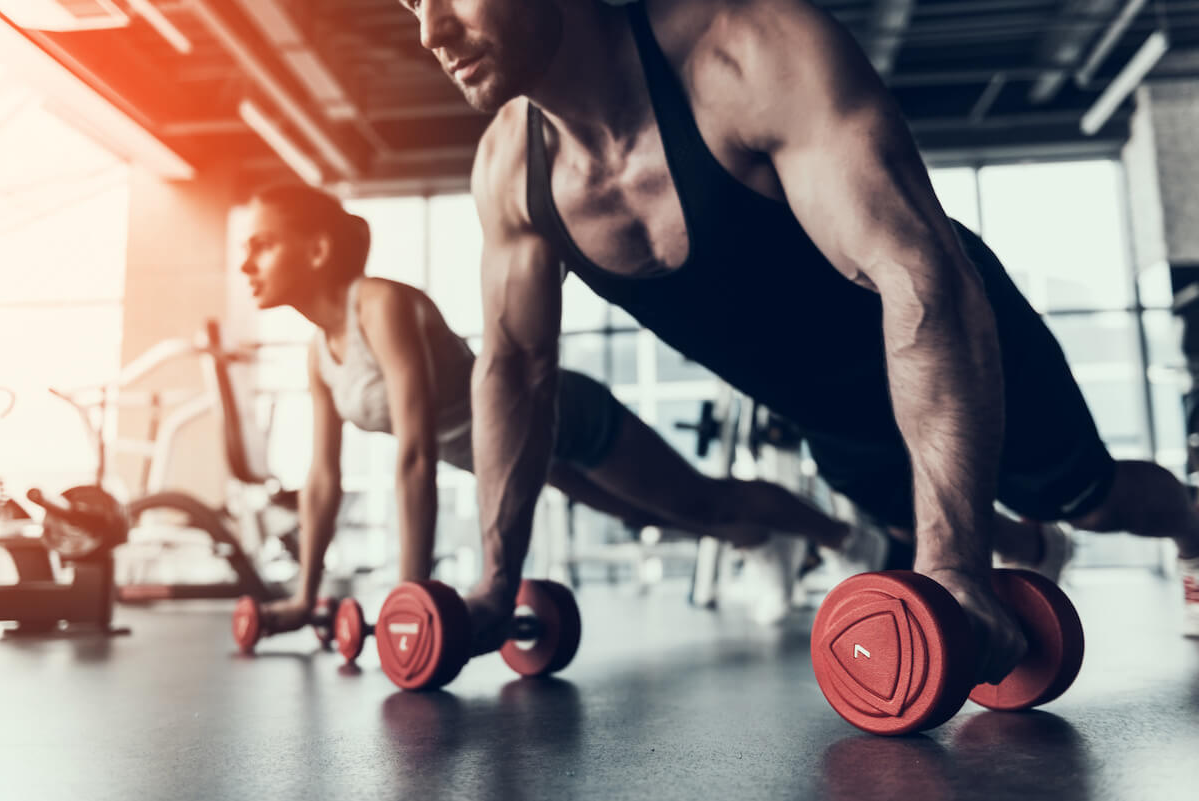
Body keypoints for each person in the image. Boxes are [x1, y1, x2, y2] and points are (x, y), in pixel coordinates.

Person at [394, 0, 1199, 669]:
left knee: (1087, 499)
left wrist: (953, 570)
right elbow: (514, 368)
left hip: (955, 343)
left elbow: (918, 277)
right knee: (911, 525)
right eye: (409, 2)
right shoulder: (510, 169)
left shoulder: (746, 56)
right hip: (832, 422)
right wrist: (494, 590)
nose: (429, 31)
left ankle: (1189, 521)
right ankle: (1026, 552)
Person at [238, 183, 861, 632]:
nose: (246, 264)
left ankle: (849, 539)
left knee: (700, 500)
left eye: (262, 245)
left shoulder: (379, 305)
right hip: (516, 454)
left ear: (317, 250)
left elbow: (416, 451)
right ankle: (761, 543)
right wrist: (301, 598)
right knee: (652, 515)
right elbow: (322, 482)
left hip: (562, 413)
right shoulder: (319, 353)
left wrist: (410, 592)